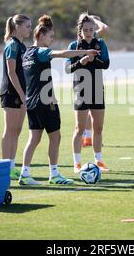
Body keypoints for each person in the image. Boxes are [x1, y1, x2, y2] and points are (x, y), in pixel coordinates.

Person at [19, 15, 99, 185]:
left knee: (34, 139)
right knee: (55, 137)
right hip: (45, 103)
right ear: (41, 36)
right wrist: (85, 52)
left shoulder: (26, 54)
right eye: (50, 37)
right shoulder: (41, 51)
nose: (52, 40)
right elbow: (63, 53)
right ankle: (54, 174)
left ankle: (24, 174)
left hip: (31, 102)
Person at [65, 13, 110, 173]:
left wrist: (93, 60)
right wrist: (80, 62)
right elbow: (67, 68)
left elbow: (106, 64)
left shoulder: (100, 44)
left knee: (98, 128)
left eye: (91, 29)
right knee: (79, 128)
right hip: (81, 91)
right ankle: (77, 163)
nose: (89, 32)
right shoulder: (74, 46)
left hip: (97, 90)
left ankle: (99, 161)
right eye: (86, 29)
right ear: (80, 30)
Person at [0, 14, 31, 180]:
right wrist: (22, 94)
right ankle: (6, 167)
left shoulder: (23, 46)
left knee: (17, 131)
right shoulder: (12, 45)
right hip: (11, 93)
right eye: (27, 26)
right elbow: (11, 72)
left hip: (22, 94)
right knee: (10, 130)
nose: (30, 29)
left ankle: (12, 166)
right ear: (17, 27)